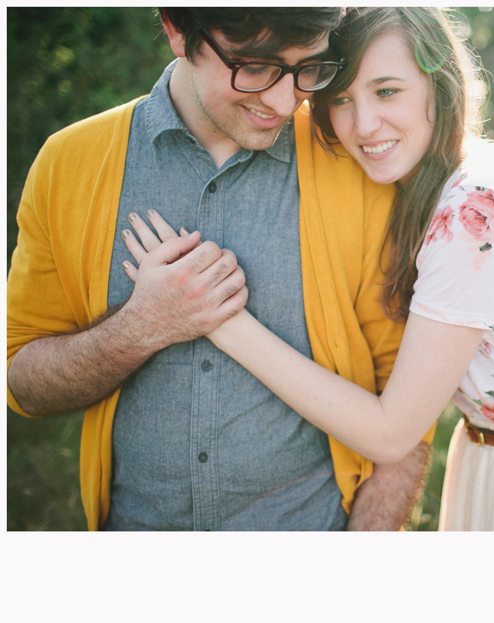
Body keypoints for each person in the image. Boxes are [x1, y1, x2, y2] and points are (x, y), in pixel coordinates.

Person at [123, 6, 494, 530]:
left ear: (441, 84)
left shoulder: (477, 205)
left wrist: (212, 315)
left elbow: (391, 435)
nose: (363, 124)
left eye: (387, 91)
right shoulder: (437, 187)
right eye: (341, 99)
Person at [6, 7, 433, 531]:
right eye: (255, 67)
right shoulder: (67, 164)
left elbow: (407, 412)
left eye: (308, 69)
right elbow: (22, 382)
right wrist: (140, 328)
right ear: (177, 31)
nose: (284, 101)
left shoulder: (355, 166)